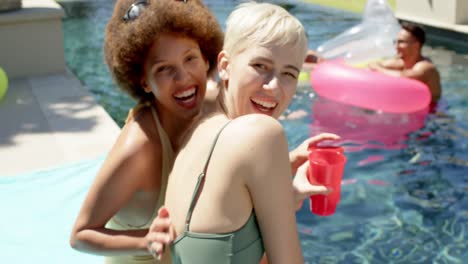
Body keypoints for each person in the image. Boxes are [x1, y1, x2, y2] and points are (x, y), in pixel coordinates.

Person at [161, 2, 327, 263]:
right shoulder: (263, 133)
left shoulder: (198, 124)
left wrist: (285, 192)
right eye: (260, 66)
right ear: (225, 65)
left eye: (289, 74)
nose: (273, 87)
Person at [69, 1, 224, 263]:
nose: (183, 77)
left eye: (190, 59)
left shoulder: (216, 106)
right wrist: (146, 240)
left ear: (206, 59)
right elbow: (80, 235)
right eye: (164, 69)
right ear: (144, 82)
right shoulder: (139, 147)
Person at [368, 22, 441, 102]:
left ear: (416, 45)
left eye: (401, 42)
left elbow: (403, 77)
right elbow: (374, 65)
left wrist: (378, 69)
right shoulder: (400, 63)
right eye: (395, 42)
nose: (396, 46)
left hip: (432, 111)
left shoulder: (426, 67)